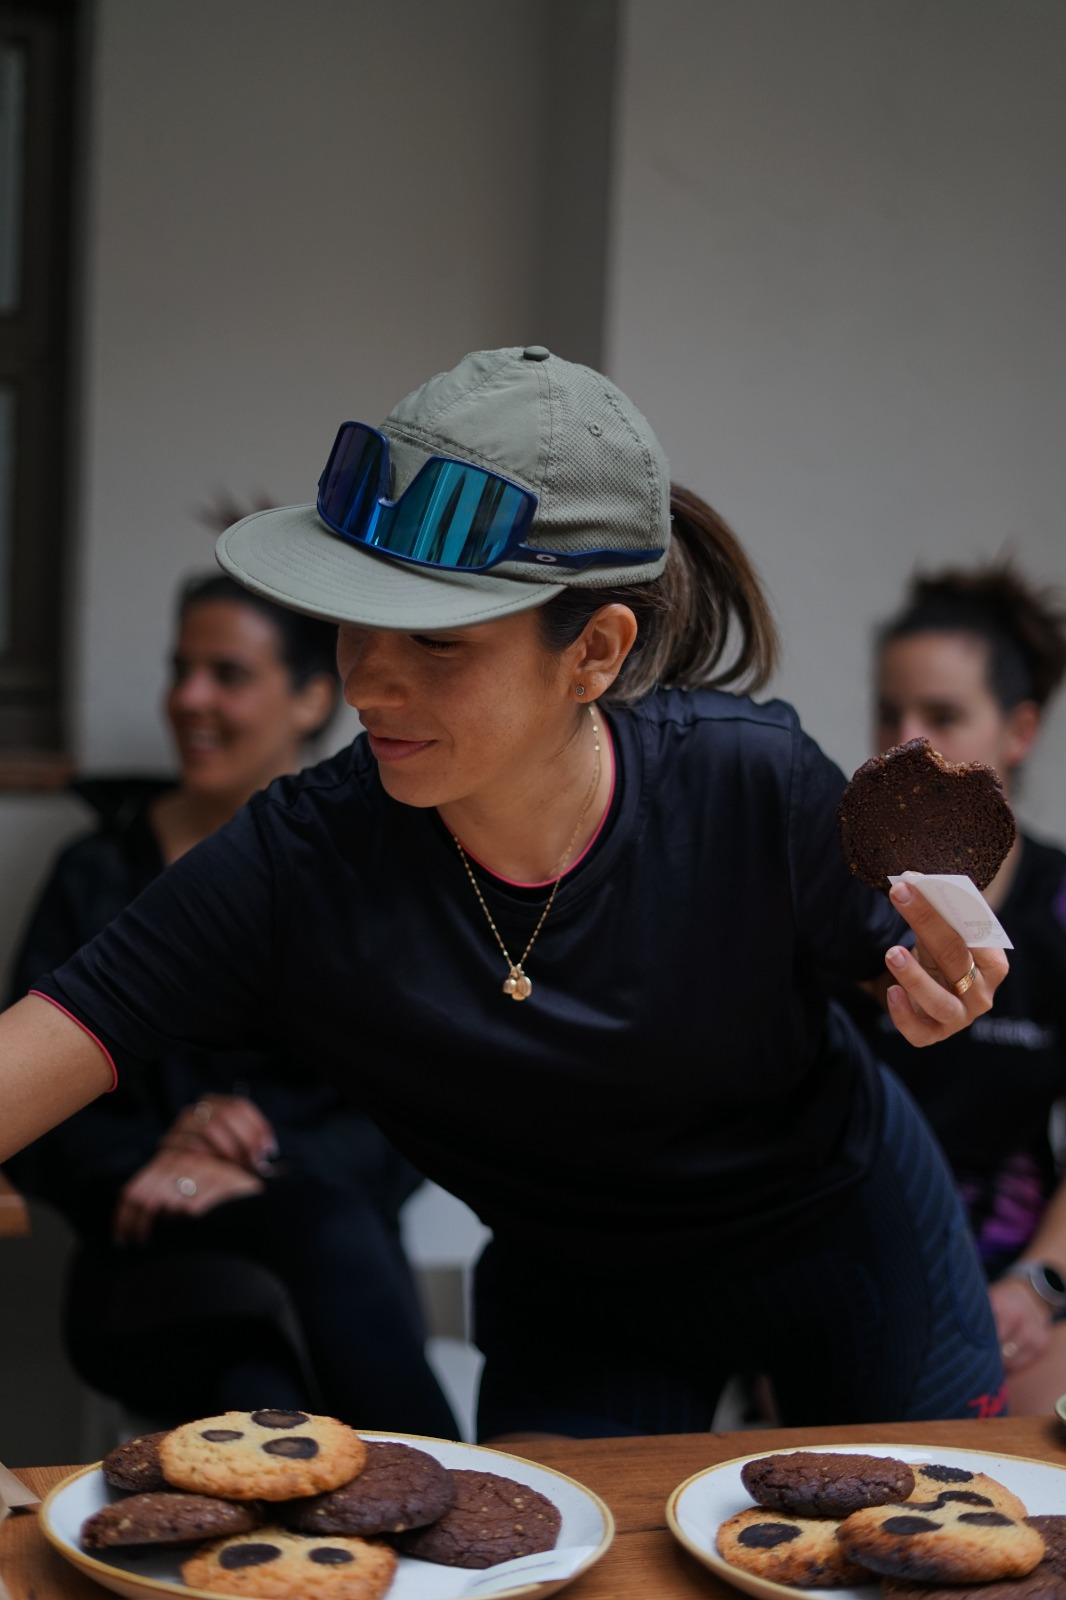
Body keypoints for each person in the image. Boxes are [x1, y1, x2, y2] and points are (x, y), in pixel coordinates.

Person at [0, 345, 1011, 1439]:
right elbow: (50, 1043)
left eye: (438, 642)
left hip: (841, 1244)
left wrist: (943, 981)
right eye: (355, 621)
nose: (369, 682)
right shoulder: (300, 863)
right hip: (585, 1298)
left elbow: (916, 960)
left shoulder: (747, 781)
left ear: (595, 652)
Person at [3, 571, 457, 1437]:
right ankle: (460, 1508)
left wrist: (260, 1159)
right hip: (145, 1260)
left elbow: (420, 1113)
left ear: (314, 696)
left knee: (271, 1346)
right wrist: (164, 1167)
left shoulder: (378, 875)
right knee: (274, 1317)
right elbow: (37, 1115)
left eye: (228, 674)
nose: (188, 699)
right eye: (181, 669)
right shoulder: (97, 872)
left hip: (334, 1259)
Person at [840, 561, 1066, 1415]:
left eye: (943, 716)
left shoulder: (1059, 904)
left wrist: (1038, 1288)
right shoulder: (841, 898)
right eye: (889, 713)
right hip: (845, 1270)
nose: (908, 740)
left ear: (1020, 729)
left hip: (1017, 1276)